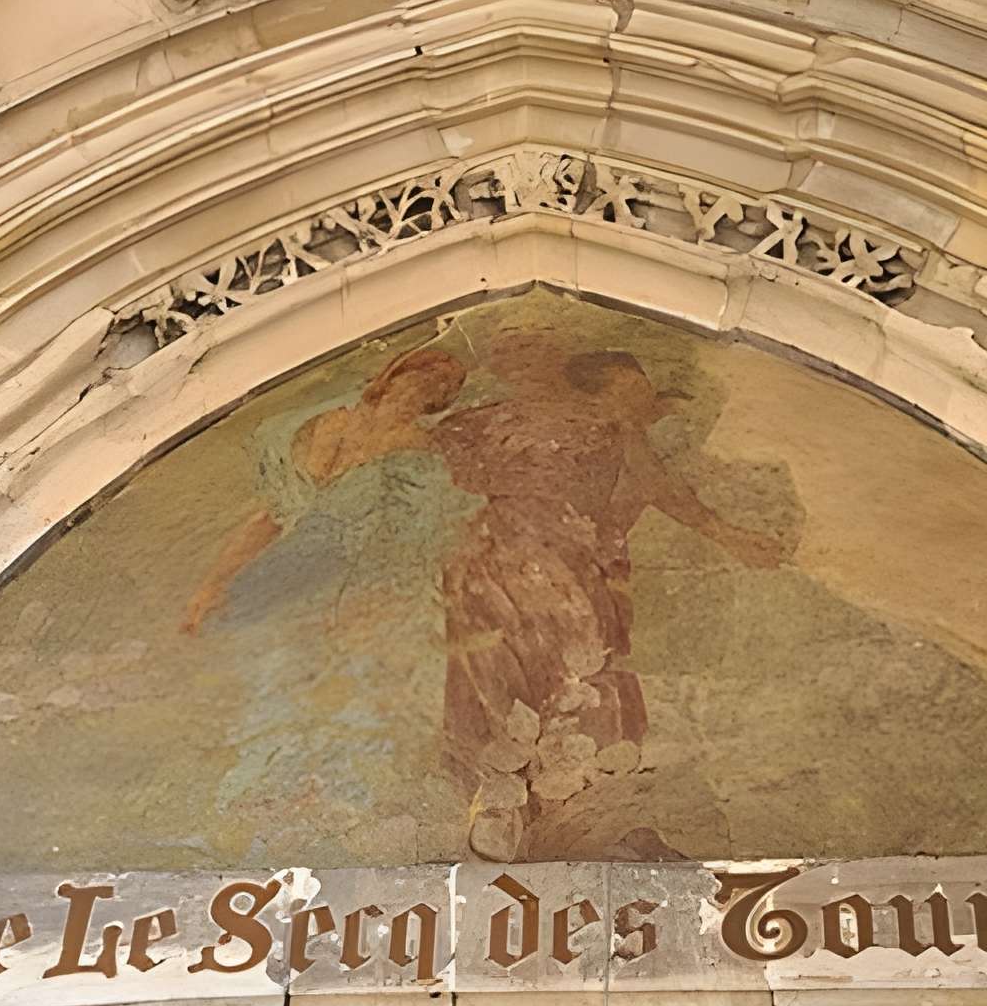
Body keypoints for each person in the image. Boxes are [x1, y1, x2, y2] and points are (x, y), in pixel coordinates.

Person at [183, 329, 788, 857]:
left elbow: (661, 486)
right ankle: (496, 808)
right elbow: (376, 470)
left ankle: (599, 815)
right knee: (489, 679)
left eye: (534, 349)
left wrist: (730, 535)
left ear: (561, 361)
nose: (520, 360)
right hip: (484, 561)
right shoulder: (466, 425)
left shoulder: (605, 424)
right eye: (509, 352)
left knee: (583, 669)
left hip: (571, 560)